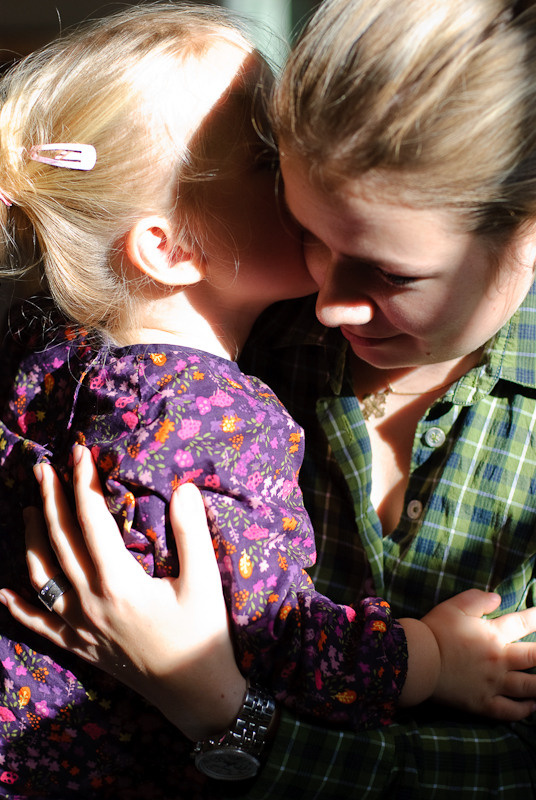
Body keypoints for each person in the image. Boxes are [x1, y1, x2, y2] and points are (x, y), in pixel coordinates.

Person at [2, 0, 536, 796]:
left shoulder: (71, 360)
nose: (330, 304)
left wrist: (213, 705)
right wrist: (425, 658)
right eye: (308, 229)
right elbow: (282, 637)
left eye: (390, 273)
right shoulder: (226, 387)